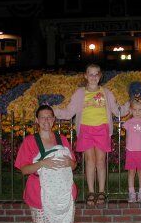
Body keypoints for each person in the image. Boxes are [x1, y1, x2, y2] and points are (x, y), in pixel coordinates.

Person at [15, 105, 77, 223]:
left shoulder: (62, 139)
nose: (46, 121)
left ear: (54, 120)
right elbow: (24, 170)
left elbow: (74, 164)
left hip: (62, 195)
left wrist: (68, 163)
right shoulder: (29, 141)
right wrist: (43, 163)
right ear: (36, 120)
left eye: (49, 117)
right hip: (39, 195)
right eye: (42, 117)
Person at [53, 63, 129, 206]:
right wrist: (53, 111)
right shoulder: (80, 93)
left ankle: (101, 191)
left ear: (100, 76)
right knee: (90, 161)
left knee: (100, 161)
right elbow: (69, 112)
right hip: (86, 130)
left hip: (102, 129)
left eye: (96, 74)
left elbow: (116, 110)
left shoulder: (106, 92)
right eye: (91, 74)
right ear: (86, 76)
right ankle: (91, 191)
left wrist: (129, 106)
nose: (93, 77)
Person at [122, 95, 141, 203]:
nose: (137, 112)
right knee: (131, 172)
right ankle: (132, 193)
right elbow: (127, 137)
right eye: (135, 109)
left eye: (140, 109)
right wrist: (127, 147)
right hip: (131, 151)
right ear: (131, 110)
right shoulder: (128, 123)